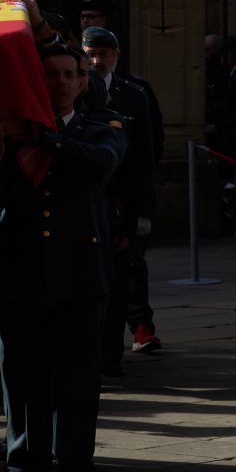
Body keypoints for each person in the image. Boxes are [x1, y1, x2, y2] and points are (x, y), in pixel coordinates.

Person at [0, 45, 127, 472]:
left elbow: (99, 163)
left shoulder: (101, 125)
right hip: (19, 270)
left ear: (82, 82)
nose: (60, 83)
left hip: (80, 273)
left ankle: (74, 471)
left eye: (68, 75)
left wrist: (42, 134)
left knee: (77, 381)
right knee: (21, 380)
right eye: (50, 75)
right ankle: (24, 471)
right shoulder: (6, 132)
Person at [81, 26, 155, 375]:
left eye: (103, 54)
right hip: (88, 205)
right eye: (90, 54)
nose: (96, 61)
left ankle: (112, 354)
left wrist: (140, 212)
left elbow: (144, 155)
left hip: (120, 205)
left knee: (123, 278)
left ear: (116, 55)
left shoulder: (135, 94)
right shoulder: (74, 91)